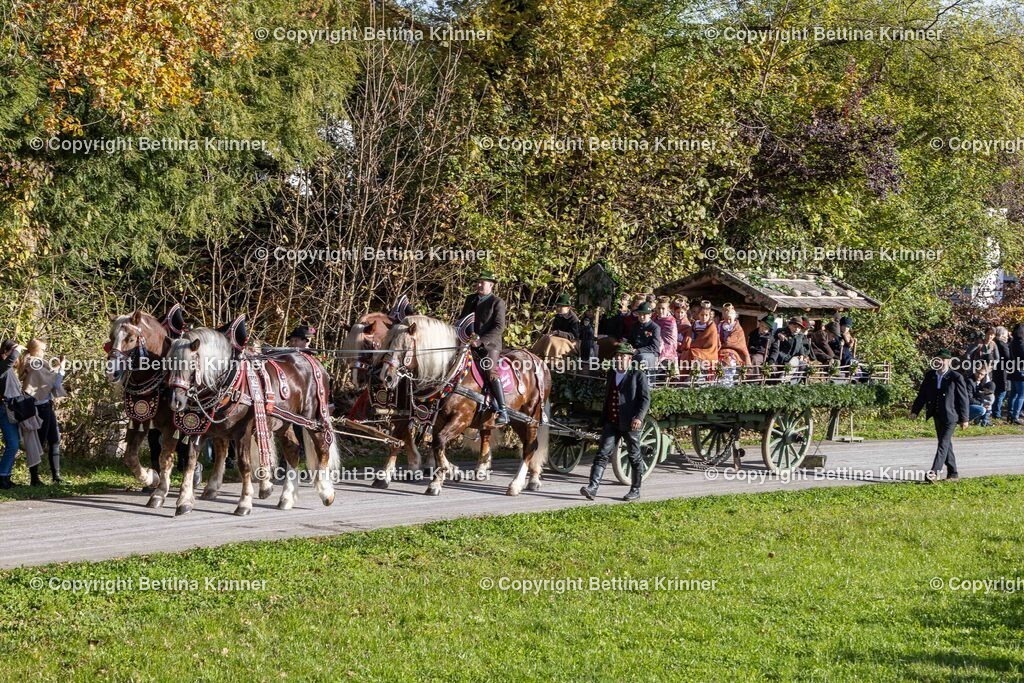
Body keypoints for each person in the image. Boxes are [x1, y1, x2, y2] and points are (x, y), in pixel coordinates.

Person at [580, 343, 650, 502]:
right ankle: (592, 487)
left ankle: (635, 489)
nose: (619, 359)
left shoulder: (637, 375)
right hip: (611, 420)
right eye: (617, 356)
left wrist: (639, 417)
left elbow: (645, 399)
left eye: (622, 356)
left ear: (629, 359)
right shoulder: (612, 373)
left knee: (634, 456)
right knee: (602, 454)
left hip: (630, 422)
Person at [910, 349, 969, 482]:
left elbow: (963, 399)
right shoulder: (930, 375)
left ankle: (934, 472)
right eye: (939, 359)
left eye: (944, 359)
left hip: (951, 416)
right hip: (936, 414)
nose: (941, 362)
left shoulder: (956, 377)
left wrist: (964, 418)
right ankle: (953, 474)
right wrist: (915, 410)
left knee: (943, 443)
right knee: (946, 444)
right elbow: (922, 395)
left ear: (949, 361)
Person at [459, 269, 509, 425]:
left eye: (483, 282)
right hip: (468, 342)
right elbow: (462, 320)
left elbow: (499, 327)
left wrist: (480, 341)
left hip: (490, 345)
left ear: (491, 285)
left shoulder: (497, 302)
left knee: (489, 370)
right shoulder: (470, 299)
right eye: (478, 282)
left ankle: (502, 410)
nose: (479, 285)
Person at [17, 339, 66, 484]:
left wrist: (57, 368)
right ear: (35, 350)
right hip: (39, 408)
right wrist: (62, 367)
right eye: (43, 350)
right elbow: (54, 383)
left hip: (45, 406)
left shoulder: (37, 364)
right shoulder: (35, 365)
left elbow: (48, 376)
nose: (45, 353)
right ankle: (35, 478)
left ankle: (56, 476)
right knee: (38, 442)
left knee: (54, 440)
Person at [0, 341, 21, 489]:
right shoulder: (2, 366)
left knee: (13, 444)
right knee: (13, 444)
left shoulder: (7, 369)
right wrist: (16, 350)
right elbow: (9, 362)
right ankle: (2, 477)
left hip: (11, 408)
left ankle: (6, 476)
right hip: (4, 408)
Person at [627, 302, 662, 372]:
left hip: (650, 353)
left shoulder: (655, 327)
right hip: (634, 352)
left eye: (644, 314)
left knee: (642, 357)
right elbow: (630, 341)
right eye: (640, 314)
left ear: (650, 314)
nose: (641, 317)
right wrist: (628, 347)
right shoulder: (634, 326)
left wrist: (638, 351)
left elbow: (654, 347)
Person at [688, 301, 720, 377]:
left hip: (708, 349)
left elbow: (710, 341)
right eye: (702, 315)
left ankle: (699, 375)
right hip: (697, 346)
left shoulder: (711, 326)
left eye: (706, 315)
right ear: (698, 315)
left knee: (694, 353)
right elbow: (690, 335)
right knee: (686, 353)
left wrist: (695, 344)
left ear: (709, 316)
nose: (704, 317)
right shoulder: (695, 324)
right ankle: (691, 375)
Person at [717, 303, 750, 368]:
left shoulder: (737, 328)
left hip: (735, 350)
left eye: (730, 319)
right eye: (726, 319)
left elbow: (734, 342)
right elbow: (716, 336)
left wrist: (724, 344)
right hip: (720, 348)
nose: (728, 321)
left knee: (730, 358)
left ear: (734, 317)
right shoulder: (720, 325)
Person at [652, 298, 678, 371]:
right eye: (659, 308)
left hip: (668, 347)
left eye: (663, 308)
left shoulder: (671, 321)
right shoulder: (654, 319)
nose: (660, 311)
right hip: (656, 344)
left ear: (668, 309)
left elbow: (671, 339)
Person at [992, 326, 1011, 420]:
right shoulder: (1003, 344)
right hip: (1003, 370)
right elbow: (1008, 356)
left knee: (997, 392)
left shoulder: (994, 343)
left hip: (996, 369)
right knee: (1001, 392)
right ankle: (997, 413)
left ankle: (994, 411)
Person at [1007, 323, 1024, 425]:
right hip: (1021, 370)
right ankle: (1015, 416)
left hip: (1013, 369)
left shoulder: (1012, 342)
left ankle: (1011, 414)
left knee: (1013, 394)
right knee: (1021, 395)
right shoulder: (1020, 343)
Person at [671, 298, 692, 362]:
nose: (680, 314)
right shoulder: (670, 322)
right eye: (678, 312)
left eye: (682, 312)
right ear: (674, 312)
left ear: (685, 312)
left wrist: (680, 346)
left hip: (682, 349)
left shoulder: (687, 325)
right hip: (670, 347)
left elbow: (687, 340)